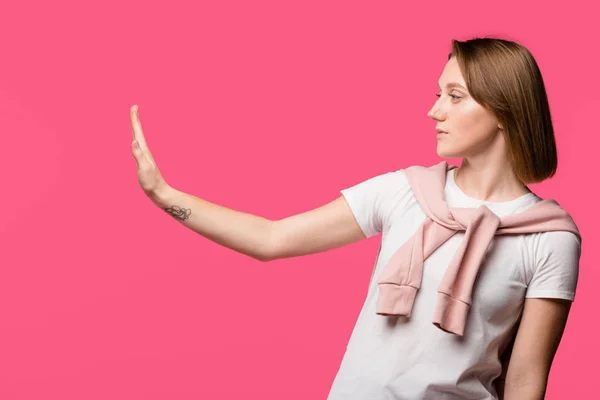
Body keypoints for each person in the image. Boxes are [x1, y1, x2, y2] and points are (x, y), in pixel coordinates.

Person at [129, 37, 582, 400]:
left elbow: (525, 380)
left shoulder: (549, 237)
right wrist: (164, 195)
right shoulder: (404, 192)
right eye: (438, 93)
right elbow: (271, 238)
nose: (434, 110)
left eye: (454, 96)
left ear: (503, 109)